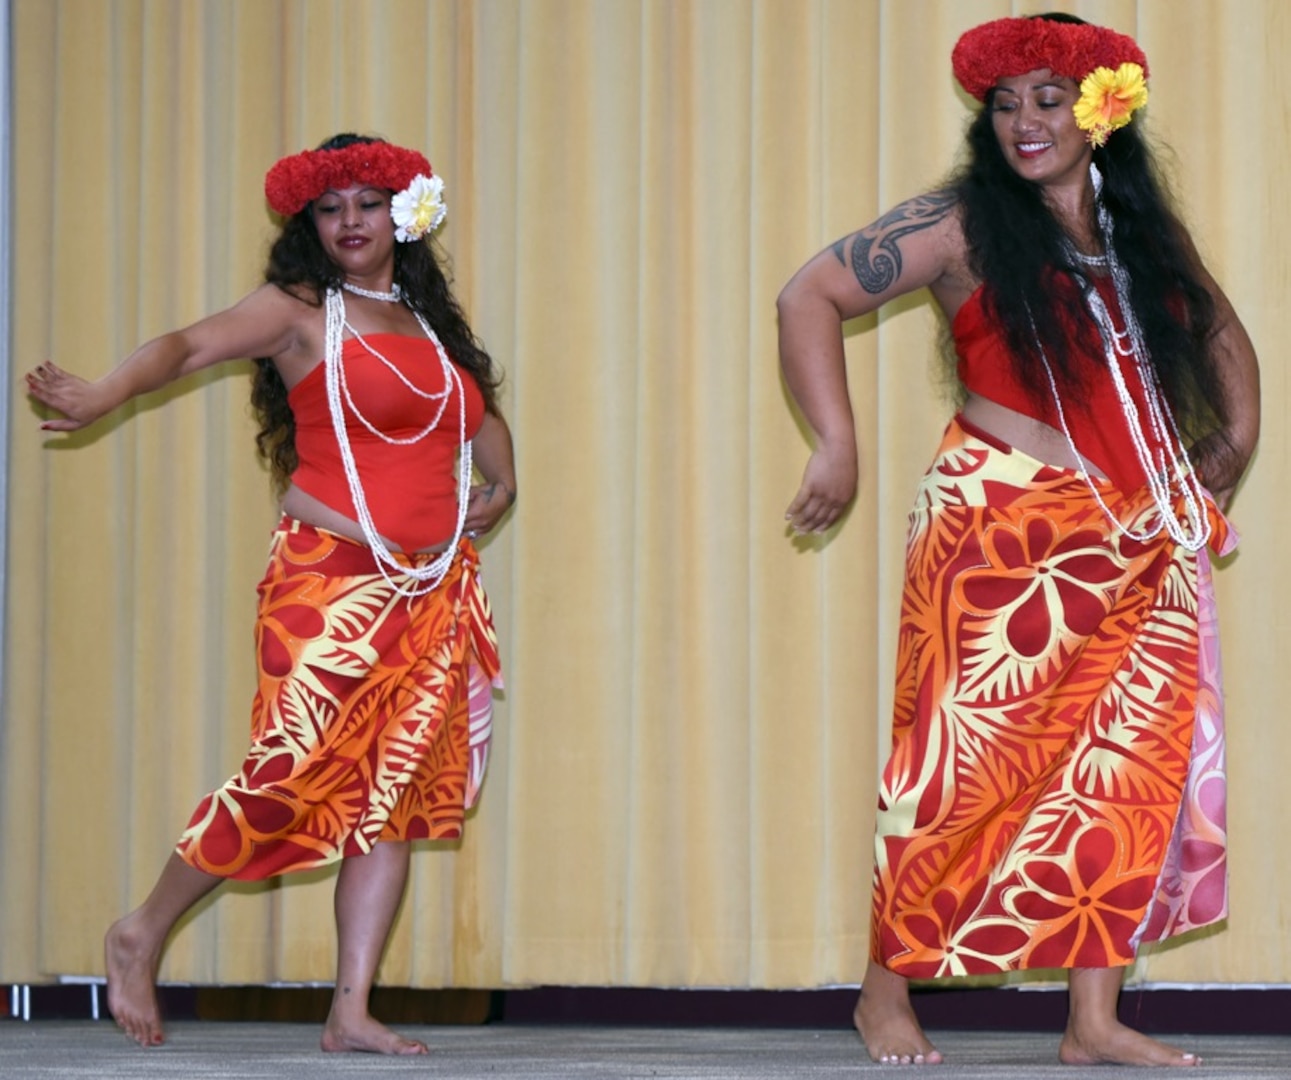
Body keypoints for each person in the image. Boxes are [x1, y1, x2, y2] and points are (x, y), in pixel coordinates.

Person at [777, 14, 1259, 1069]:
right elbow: (809, 292)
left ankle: (1090, 1022)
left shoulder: (1135, 228)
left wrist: (1224, 447)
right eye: (1004, 104)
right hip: (1000, 524)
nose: (1022, 123)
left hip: (1139, 534)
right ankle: (881, 994)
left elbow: (1217, 330)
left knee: (1124, 766)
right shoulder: (957, 221)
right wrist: (835, 446)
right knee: (958, 763)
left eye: (1046, 99)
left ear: (1099, 112)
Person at [25, 133, 516, 1055]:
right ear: (310, 225)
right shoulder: (299, 310)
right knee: (286, 773)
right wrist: (103, 394)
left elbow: (473, 411)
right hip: (328, 581)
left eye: (369, 204)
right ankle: (140, 931)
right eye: (330, 210)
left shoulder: (422, 317)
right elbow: (185, 346)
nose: (350, 223)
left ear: (401, 215)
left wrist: (503, 480)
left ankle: (350, 1011)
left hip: (433, 588)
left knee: (392, 795)